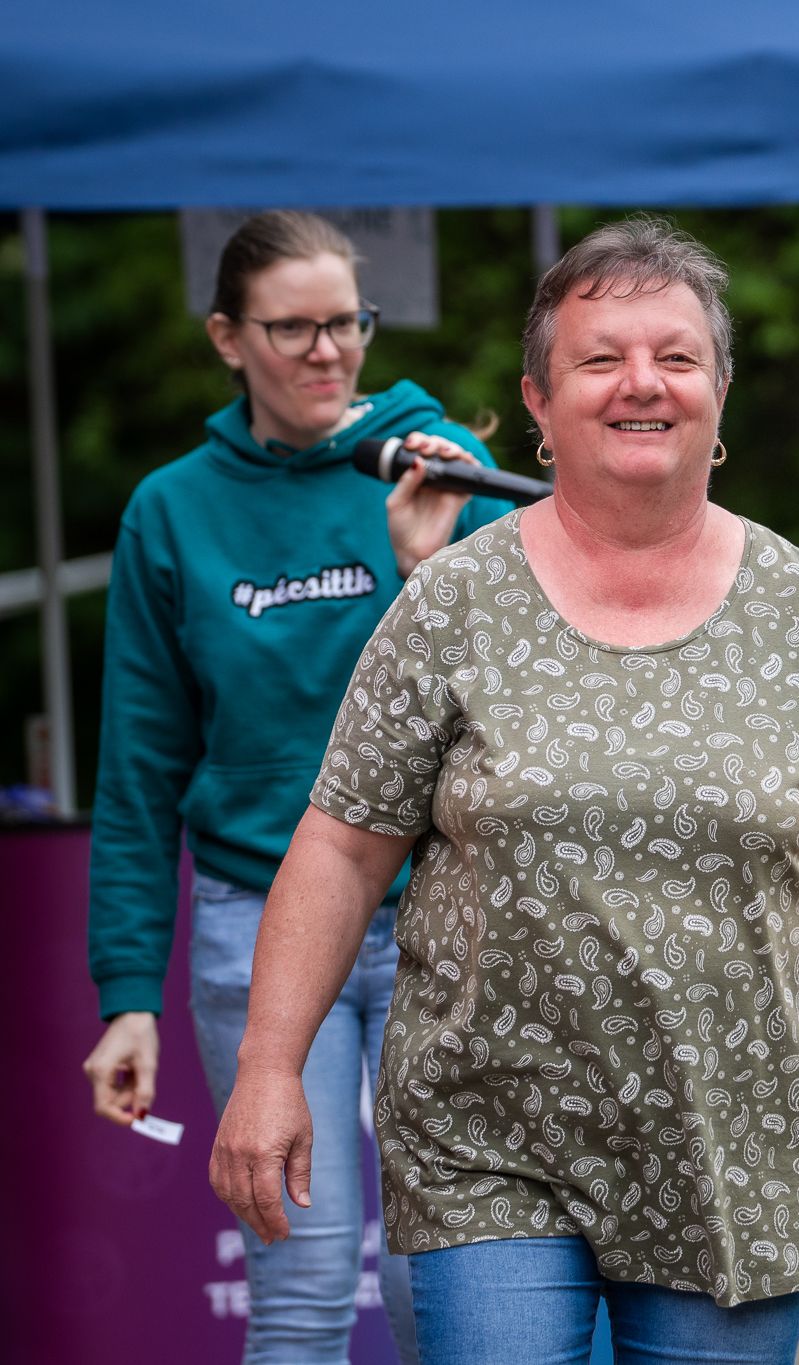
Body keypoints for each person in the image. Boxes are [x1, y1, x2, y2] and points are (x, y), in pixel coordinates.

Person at [207, 217, 799, 1365]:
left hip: (738, 1144)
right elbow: (343, 848)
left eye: (676, 356)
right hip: (488, 1141)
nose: (641, 382)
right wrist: (268, 1069)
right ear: (539, 403)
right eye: (600, 358)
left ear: (719, 392)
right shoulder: (451, 603)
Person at [80, 209, 516, 1364]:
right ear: (228, 338)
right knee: (304, 1285)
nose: (328, 351)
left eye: (347, 322)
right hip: (255, 916)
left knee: (443, 1285)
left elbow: (529, 705)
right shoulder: (173, 510)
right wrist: (128, 993)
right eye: (293, 329)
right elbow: (138, 770)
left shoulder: (438, 469)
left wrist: (428, 565)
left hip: (439, 916)